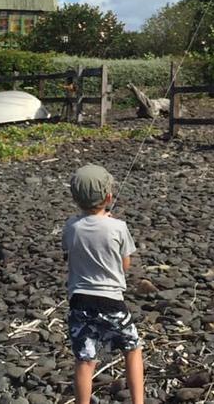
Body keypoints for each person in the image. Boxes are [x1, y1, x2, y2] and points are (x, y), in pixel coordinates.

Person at [62, 164, 144, 404]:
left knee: (85, 359)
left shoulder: (70, 227)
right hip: (111, 301)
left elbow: (68, 253)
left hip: (79, 301)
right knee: (132, 348)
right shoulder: (118, 227)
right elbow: (125, 264)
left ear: (75, 198)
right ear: (109, 197)